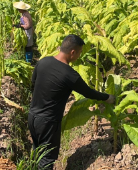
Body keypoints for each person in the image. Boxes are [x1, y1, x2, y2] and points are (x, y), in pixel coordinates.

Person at [28, 34, 116, 170]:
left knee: (37, 151)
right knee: (47, 159)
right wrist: (107, 97)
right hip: (48, 122)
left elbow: (34, 82)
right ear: (72, 52)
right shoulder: (69, 75)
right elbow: (88, 93)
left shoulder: (43, 62)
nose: (79, 56)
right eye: (80, 53)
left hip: (32, 117)